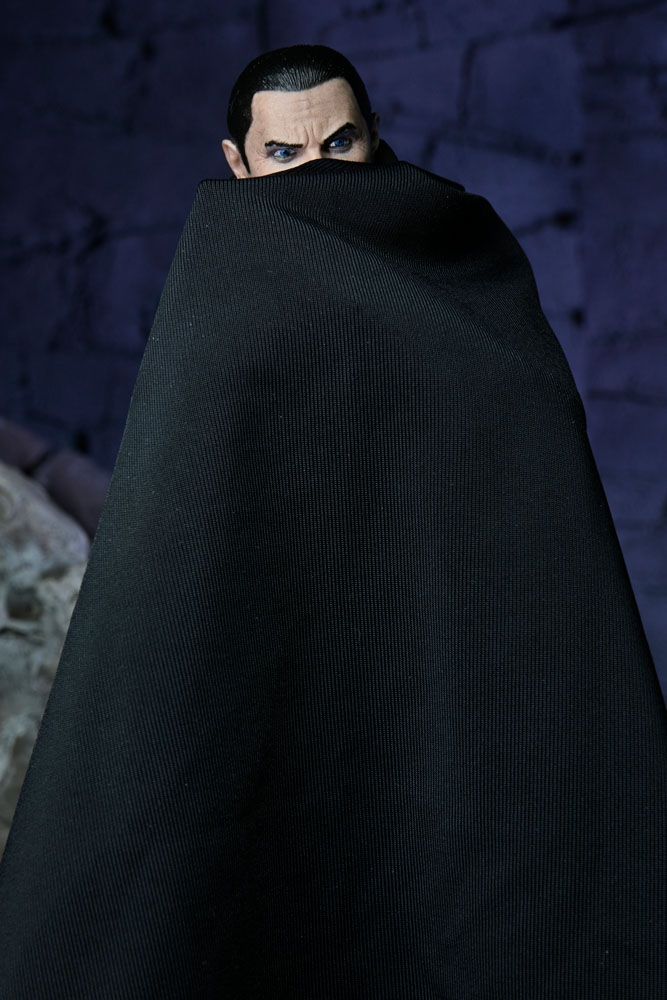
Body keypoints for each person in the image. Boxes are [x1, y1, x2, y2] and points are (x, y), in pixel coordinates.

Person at [0, 42, 666, 1000]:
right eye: (283, 156)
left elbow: (529, 446)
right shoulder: (226, 282)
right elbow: (180, 515)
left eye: (339, 146)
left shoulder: (459, 257)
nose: (316, 175)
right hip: (270, 673)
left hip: (455, 674)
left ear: (375, 139)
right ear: (237, 164)